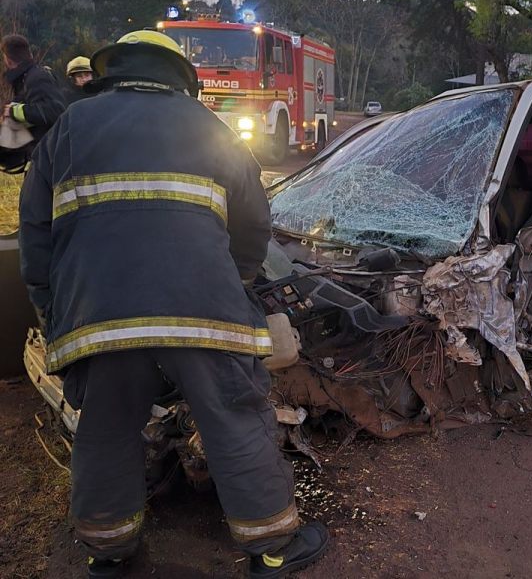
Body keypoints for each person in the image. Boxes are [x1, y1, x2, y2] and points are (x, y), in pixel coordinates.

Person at [18, 30, 328, 578]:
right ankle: (274, 549)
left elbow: (36, 238)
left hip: (98, 316)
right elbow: (254, 225)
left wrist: (57, 313)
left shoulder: (68, 128)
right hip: (203, 307)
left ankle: (107, 552)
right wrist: (230, 281)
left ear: (111, 70)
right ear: (179, 76)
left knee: (107, 427)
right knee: (233, 415)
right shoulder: (211, 127)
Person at [1, 35, 65, 152]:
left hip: (50, 152)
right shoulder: (26, 79)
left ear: (8, 61)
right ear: (29, 54)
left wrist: (13, 111)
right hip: (40, 152)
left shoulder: (37, 77)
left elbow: (54, 111)